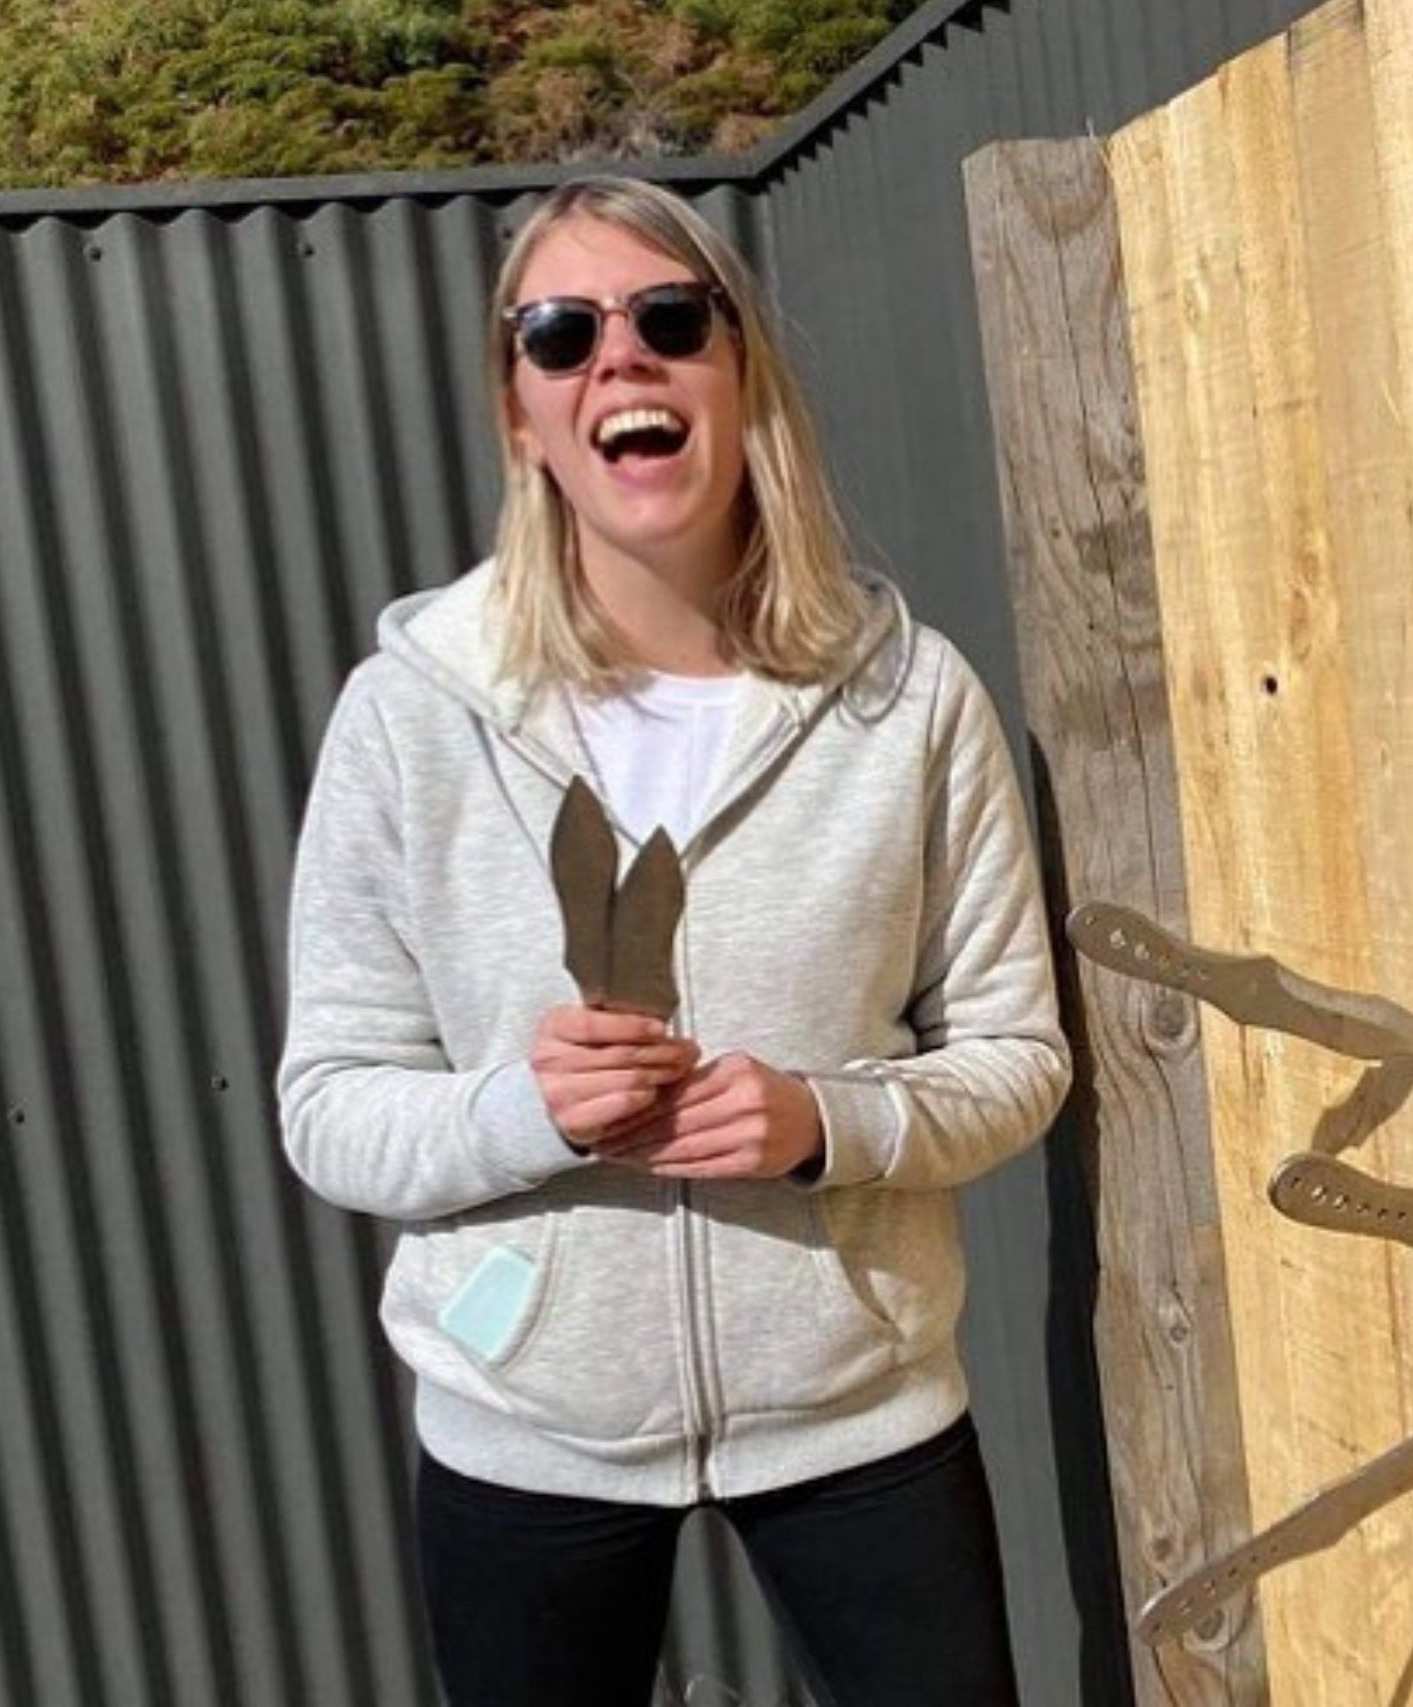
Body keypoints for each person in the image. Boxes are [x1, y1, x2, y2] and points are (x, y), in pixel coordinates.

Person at [275, 174, 1069, 1707]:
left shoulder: (905, 700)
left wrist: (821, 1123)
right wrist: (523, 1111)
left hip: (858, 1415)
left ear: (737, 369)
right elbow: (329, 1105)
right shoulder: (414, 715)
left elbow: (1018, 1057)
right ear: (519, 414)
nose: (617, 362)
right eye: (559, 335)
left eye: (668, 321)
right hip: (526, 1420)